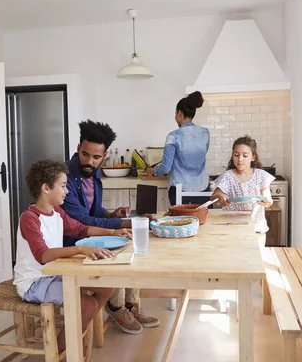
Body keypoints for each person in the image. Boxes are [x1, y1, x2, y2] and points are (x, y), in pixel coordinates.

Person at [13, 159, 132, 352]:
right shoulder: (30, 218)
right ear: (45, 188)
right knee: (87, 304)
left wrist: (112, 232)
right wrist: (80, 249)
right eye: (62, 186)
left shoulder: (56, 211)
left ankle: (75, 332)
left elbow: (81, 229)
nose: (66, 191)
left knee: (106, 287)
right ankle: (60, 352)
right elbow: (43, 255)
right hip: (34, 283)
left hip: (54, 275)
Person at [61, 120, 160, 335]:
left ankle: (131, 305)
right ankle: (115, 306)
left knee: (132, 244)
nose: (90, 161)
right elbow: (82, 222)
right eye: (85, 154)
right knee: (118, 250)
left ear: (104, 157)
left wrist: (110, 215)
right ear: (78, 149)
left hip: (88, 236)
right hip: (72, 243)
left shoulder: (93, 172)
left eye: (96, 157)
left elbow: (93, 212)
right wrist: (126, 222)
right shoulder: (65, 178)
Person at [146, 91, 210, 205]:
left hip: (180, 191)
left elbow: (165, 168)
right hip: (202, 188)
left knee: (181, 222)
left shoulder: (173, 136)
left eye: (175, 113)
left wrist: (152, 170)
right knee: (202, 221)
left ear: (179, 113)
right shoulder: (205, 133)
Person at [210, 135, 274, 248]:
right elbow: (214, 197)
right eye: (236, 155)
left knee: (256, 261)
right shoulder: (227, 176)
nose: (240, 159)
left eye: (245, 155)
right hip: (232, 228)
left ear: (253, 157)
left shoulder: (261, 176)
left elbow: (268, 199)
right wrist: (220, 196)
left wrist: (266, 201)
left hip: (256, 228)